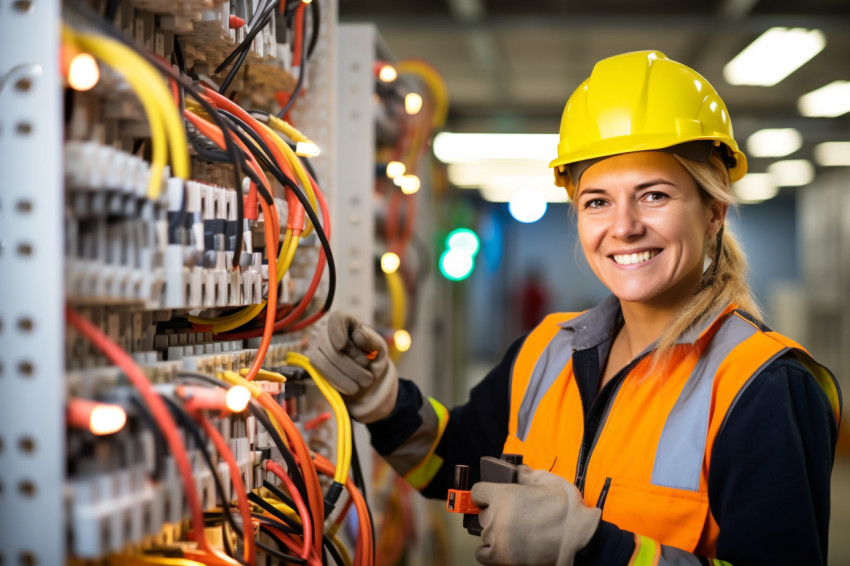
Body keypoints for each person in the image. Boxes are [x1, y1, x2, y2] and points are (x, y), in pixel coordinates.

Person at [308, 51, 842, 566]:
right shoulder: (547, 349)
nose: (624, 225)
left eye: (654, 195)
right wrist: (382, 400)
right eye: (597, 201)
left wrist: (589, 547)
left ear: (713, 212)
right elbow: (455, 464)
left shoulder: (763, 387)